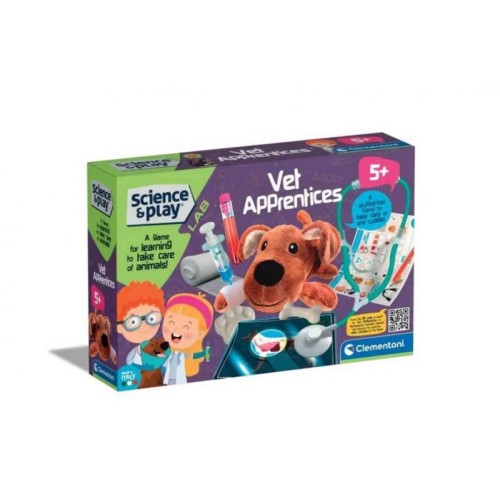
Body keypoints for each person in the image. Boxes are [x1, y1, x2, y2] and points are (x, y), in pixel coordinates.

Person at [162, 293, 214, 385]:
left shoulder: (187, 356)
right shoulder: (165, 348)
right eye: (171, 322)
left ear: (200, 334)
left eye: (185, 327)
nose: (176, 329)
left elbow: (195, 356)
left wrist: (205, 353)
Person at [117, 281, 165, 365]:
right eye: (133, 322)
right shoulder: (132, 355)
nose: (144, 325)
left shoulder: (160, 348)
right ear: (120, 327)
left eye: (152, 318)